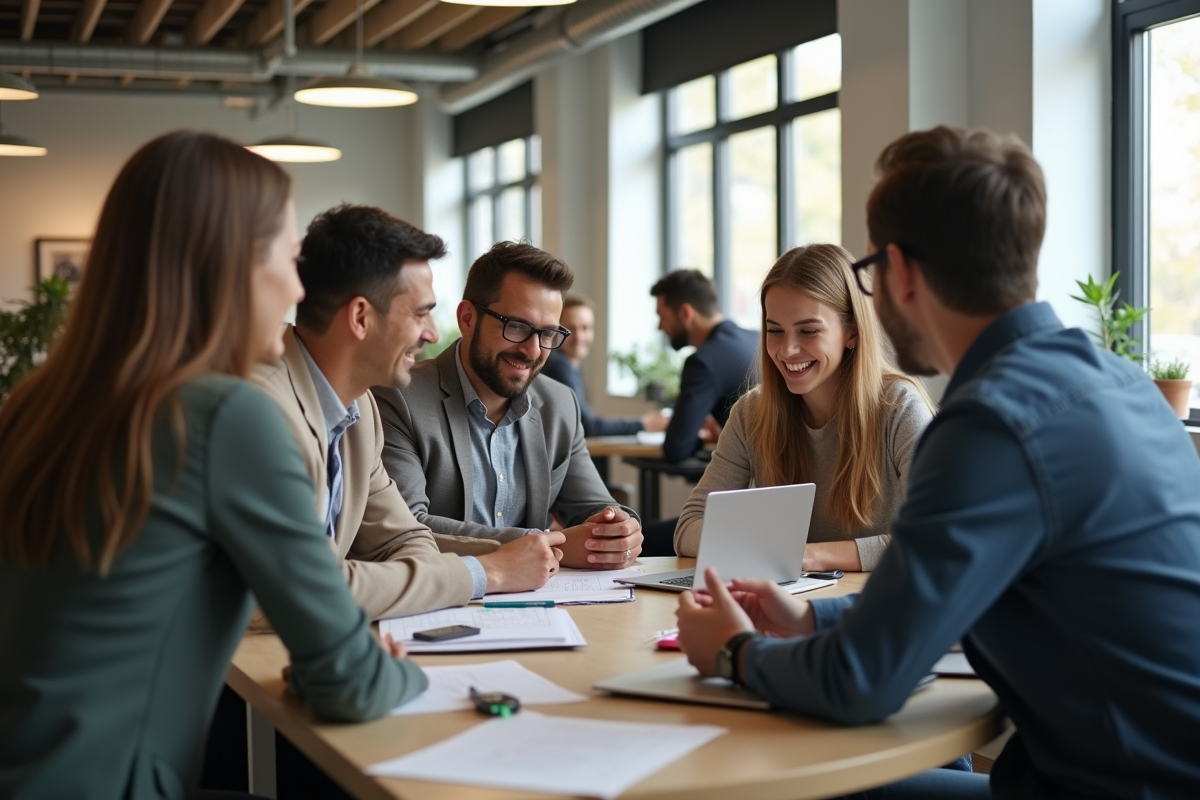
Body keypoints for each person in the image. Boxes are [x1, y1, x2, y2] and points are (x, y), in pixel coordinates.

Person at [675, 126, 1200, 800]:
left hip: (1109, 789)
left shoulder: (990, 424)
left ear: (899, 272)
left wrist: (731, 652)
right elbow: (951, 597)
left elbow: (859, 684)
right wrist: (813, 619)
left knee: (769, 788)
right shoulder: (1119, 382)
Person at [0, 132, 423, 800]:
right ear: (228, 266)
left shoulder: (34, 405)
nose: (295, 288)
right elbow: (354, 683)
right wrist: (403, 673)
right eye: (288, 259)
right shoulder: (225, 416)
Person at [253, 205, 564, 620]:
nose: (433, 334)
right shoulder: (262, 410)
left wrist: (495, 565)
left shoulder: (358, 407)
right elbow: (307, 591)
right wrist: (486, 572)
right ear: (360, 317)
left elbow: (401, 539)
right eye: (421, 313)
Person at [373, 241, 643, 569]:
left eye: (547, 334)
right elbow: (407, 528)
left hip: (539, 606)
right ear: (468, 319)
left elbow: (595, 506)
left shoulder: (559, 404)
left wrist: (619, 530)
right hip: (447, 600)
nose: (532, 351)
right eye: (516, 326)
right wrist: (537, 544)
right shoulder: (399, 396)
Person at [673, 244, 933, 572]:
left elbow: (934, 534)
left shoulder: (899, 407)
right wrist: (782, 553)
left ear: (851, 332)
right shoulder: (752, 413)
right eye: (774, 331)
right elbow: (689, 528)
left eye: (808, 331)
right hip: (782, 601)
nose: (787, 350)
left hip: (872, 607)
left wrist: (808, 556)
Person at [650, 269, 758, 464]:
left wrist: (701, 440)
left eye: (662, 316)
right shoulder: (759, 338)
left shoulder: (703, 362)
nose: (660, 327)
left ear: (685, 313)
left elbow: (676, 448)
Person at [541, 292, 670, 437]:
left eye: (585, 328)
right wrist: (644, 424)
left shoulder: (571, 365)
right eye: (571, 328)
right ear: (557, 331)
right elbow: (587, 426)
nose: (579, 337)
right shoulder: (560, 365)